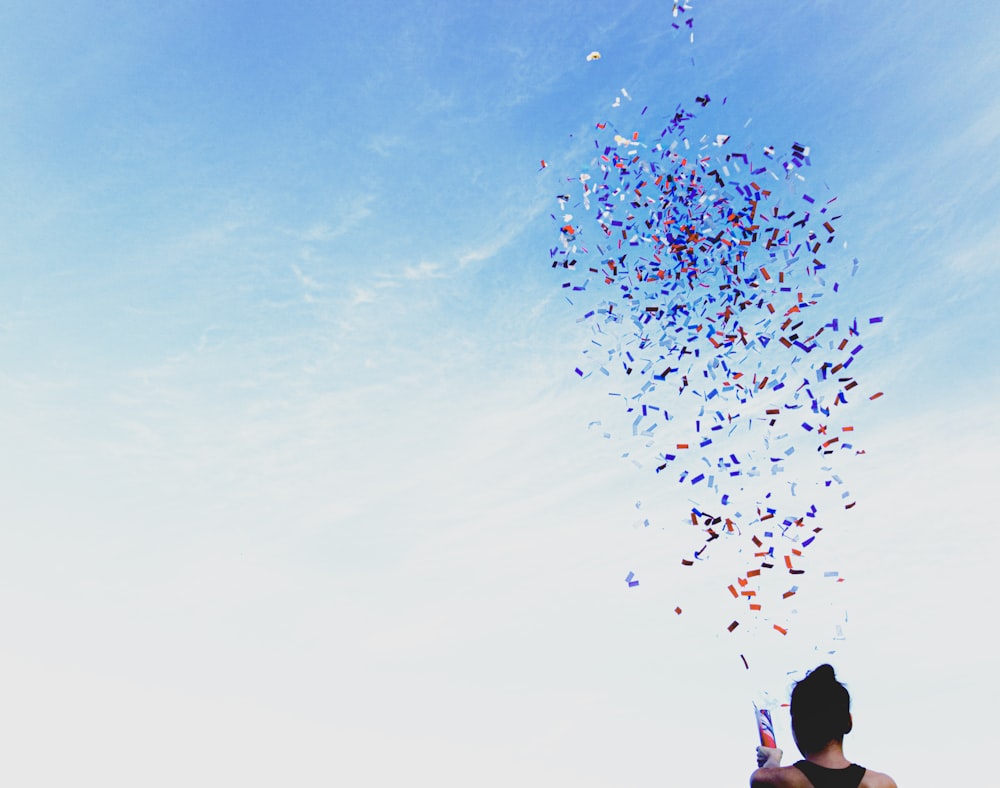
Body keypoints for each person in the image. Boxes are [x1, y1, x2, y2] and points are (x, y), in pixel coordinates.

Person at [749, 664, 896, 788]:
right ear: (848, 723)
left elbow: (769, 777)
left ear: (796, 726)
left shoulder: (770, 779)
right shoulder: (881, 784)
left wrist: (772, 759)